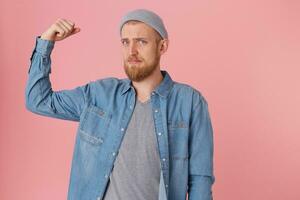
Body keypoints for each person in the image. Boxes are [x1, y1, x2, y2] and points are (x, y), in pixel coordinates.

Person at [25, 8, 215, 200]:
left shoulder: (190, 103)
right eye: (126, 42)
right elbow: (38, 101)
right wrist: (46, 43)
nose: (132, 51)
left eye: (141, 41)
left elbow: (200, 179)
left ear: (162, 46)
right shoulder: (99, 94)